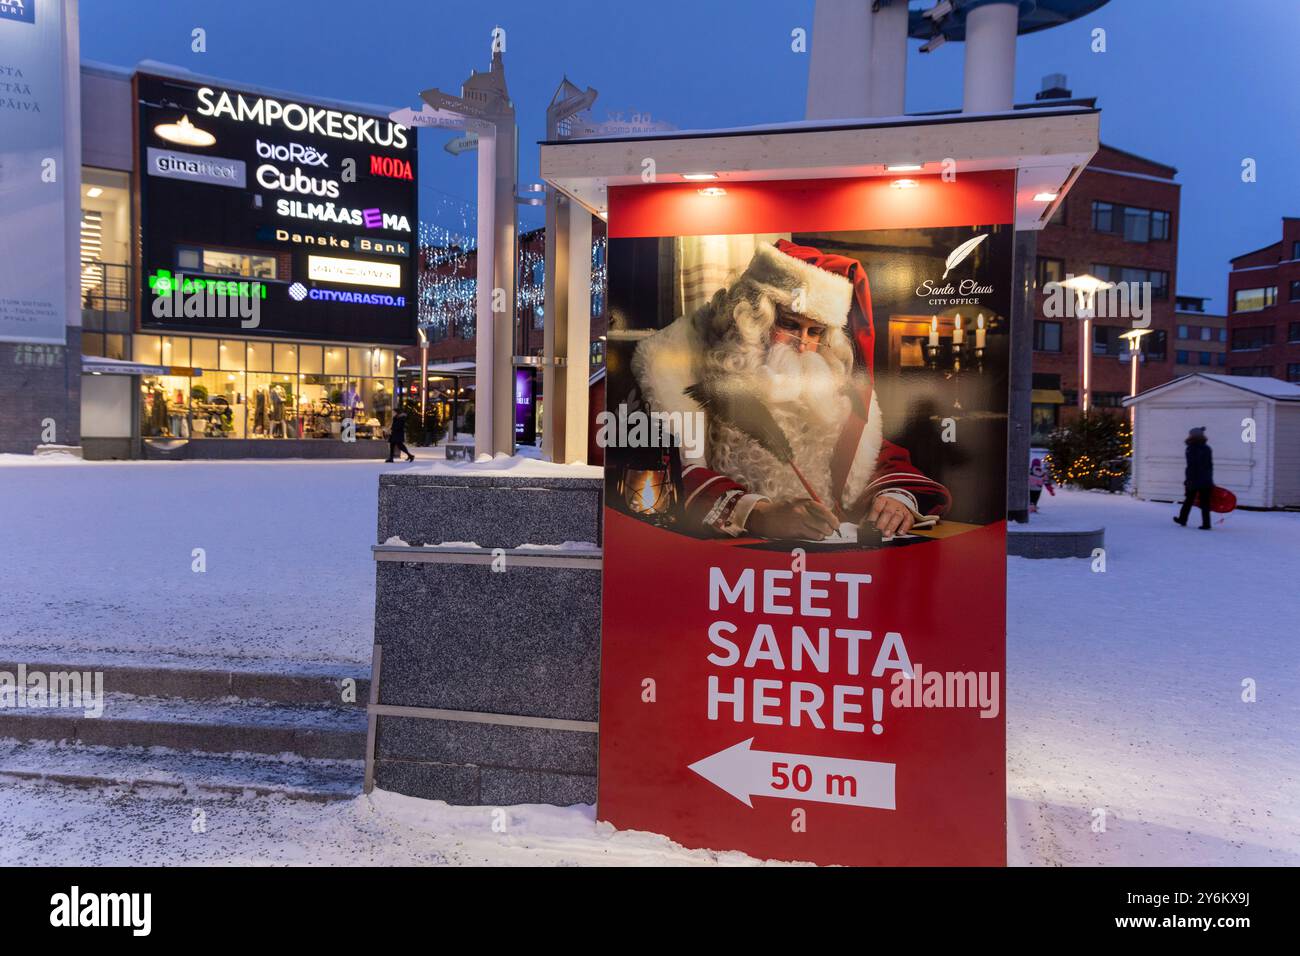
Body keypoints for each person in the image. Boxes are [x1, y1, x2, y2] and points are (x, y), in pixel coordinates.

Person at [632, 239, 949, 541]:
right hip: (729, 563)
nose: (803, 344)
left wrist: (894, 498)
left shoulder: (828, 385)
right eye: (790, 325)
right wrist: (760, 514)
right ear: (754, 321)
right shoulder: (701, 373)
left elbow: (872, 458)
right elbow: (668, 476)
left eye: (815, 331)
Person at [1174, 425, 1213, 530]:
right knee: (1205, 502)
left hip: (1194, 479)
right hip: (1206, 479)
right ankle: (1206, 524)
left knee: (1189, 500)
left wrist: (1188, 481)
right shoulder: (1207, 448)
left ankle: (1183, 519)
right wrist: (1209, 479)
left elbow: (1192, 466)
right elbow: (1209, 465)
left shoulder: (1191, 448)